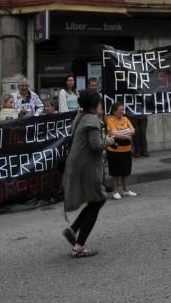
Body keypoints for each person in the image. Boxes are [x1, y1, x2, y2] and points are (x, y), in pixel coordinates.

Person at [61, 89, 115, 258]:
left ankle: (73, 229)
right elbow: (95, 145)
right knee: (98, 199)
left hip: (77, 165)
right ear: (93, 106)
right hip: (87, 167)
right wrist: (108, 141)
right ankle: (79, 247)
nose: (101, 105)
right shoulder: (92, 119)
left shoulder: (80, 117)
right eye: (99, 102)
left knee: (95, 200)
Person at [105, 102, 137, 199]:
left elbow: (133, 130)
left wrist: (121, 133)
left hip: (127, 149)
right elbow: (114, 134)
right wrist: (127, 135)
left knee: (126, 170)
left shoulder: (126, 119)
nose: (122, 112)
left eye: (123, 110)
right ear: (114, 112)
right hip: (114, 150)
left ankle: (126, 190)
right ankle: (115, 191)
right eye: (120, 111)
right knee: (115, 172)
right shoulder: (110, 120)